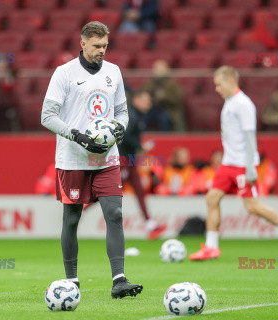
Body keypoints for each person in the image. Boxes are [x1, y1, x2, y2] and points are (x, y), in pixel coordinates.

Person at [41, 21, 143, 299]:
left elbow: (122, 111)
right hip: (72, 159)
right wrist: (77, 136)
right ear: (83, 43)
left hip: (107, 158)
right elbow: (47, 116)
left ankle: (119, 280)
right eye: (97, 46)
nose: (102, 51)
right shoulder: (64, 73)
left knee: (115, 213)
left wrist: (120, 127)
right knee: (72, 219)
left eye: (105, 46)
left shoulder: (114, 72)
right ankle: (71, 281)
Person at [189, 66, 278, 261]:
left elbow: (251, 137)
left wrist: (252, 167)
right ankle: (211, 247)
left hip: (242, 164)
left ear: (230, 81)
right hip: (228, 163)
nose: (217, 89)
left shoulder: (243, 104)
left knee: (252, 206)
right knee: (212, 199)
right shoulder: (230, 102)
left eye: (219, 84)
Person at [118, 90, 167, 240]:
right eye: (146, 101)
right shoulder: (132, 116)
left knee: (139, 191)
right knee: (110, 191)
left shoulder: (136, 116)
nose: (149, 104)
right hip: (124, 160)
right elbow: (124, 136)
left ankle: (150, 224)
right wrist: (141, 146)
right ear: (137, 100)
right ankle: (81, 208)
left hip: (130, 160)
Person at [143, 59, 185, 131]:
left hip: (169, 110)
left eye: (161, 69)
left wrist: (164, 96)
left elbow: (178, 99)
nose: (158, 71)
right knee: (142, 118)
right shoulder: (150, 83)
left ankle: (165, 139)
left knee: (163, 118)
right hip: (152, 109)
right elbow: (144, 94)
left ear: (167, 70)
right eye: (156, 69)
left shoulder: (173, 84)